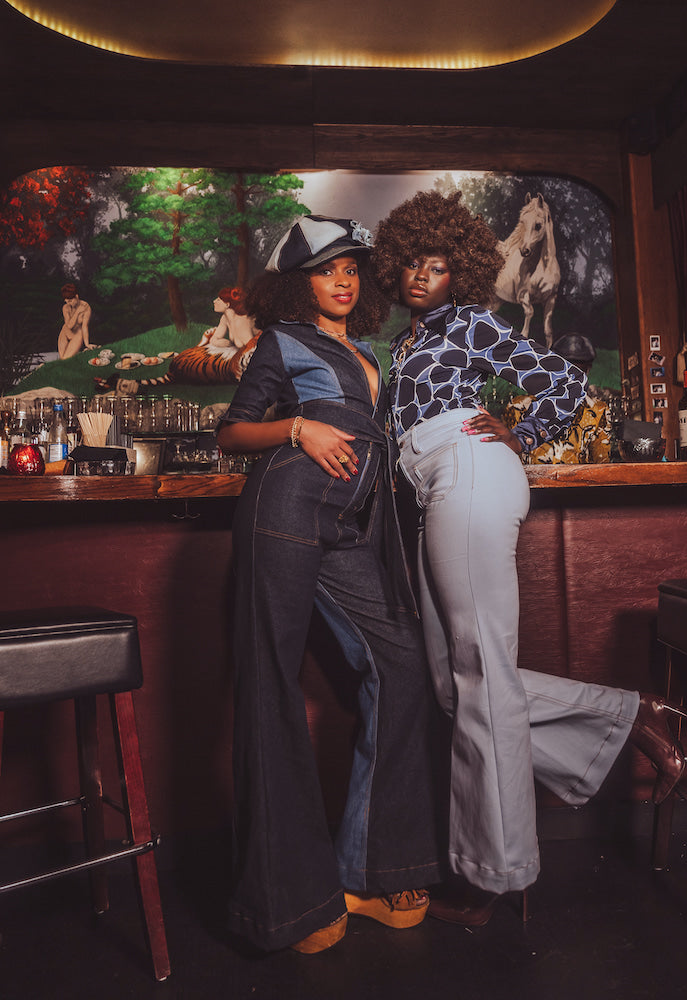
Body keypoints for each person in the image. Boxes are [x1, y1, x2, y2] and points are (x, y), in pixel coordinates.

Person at [371, 190, 684, 924]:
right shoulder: (408, 342)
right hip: (429, 487)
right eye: (412, 263)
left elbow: (569, 382)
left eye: (438, 266)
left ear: (462, 272)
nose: (422, 276)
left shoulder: (473, 322)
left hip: (469, 471)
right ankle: (623, 712)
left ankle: (495, 875)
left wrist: (522, 430)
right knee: (453, 684)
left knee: (480, 676)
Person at [216, 216, 443, 955]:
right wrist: (296, 430)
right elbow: (230, 432)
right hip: (284, 508)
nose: (344, 279)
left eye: (351, 268)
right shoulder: (283, 341)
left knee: (404, 664)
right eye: (326, 269)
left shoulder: (368, 350)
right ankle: (290, 900)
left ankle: (373, 871)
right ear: (298, 282)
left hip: (350, 527)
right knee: (271, 685)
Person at [525, 333, 611, 464]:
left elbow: (603, 467)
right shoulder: (521, 407)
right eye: (565, 371)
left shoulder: (598, 411)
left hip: (580, 483)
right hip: (532, 484)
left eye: (579, 372)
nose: (571, 379)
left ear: (588, 371)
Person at [58, 283, 95, 359]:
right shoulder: (66, 307)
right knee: (62, 359)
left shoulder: (86, 307)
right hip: (66, 331)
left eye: (70, 301)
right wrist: (78, 312)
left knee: (65, 359)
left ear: (76, 296)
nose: (69, 303)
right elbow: (69, 326)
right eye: (67, 301)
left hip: (78, 333)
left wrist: (87, 344)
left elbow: (84, 326)